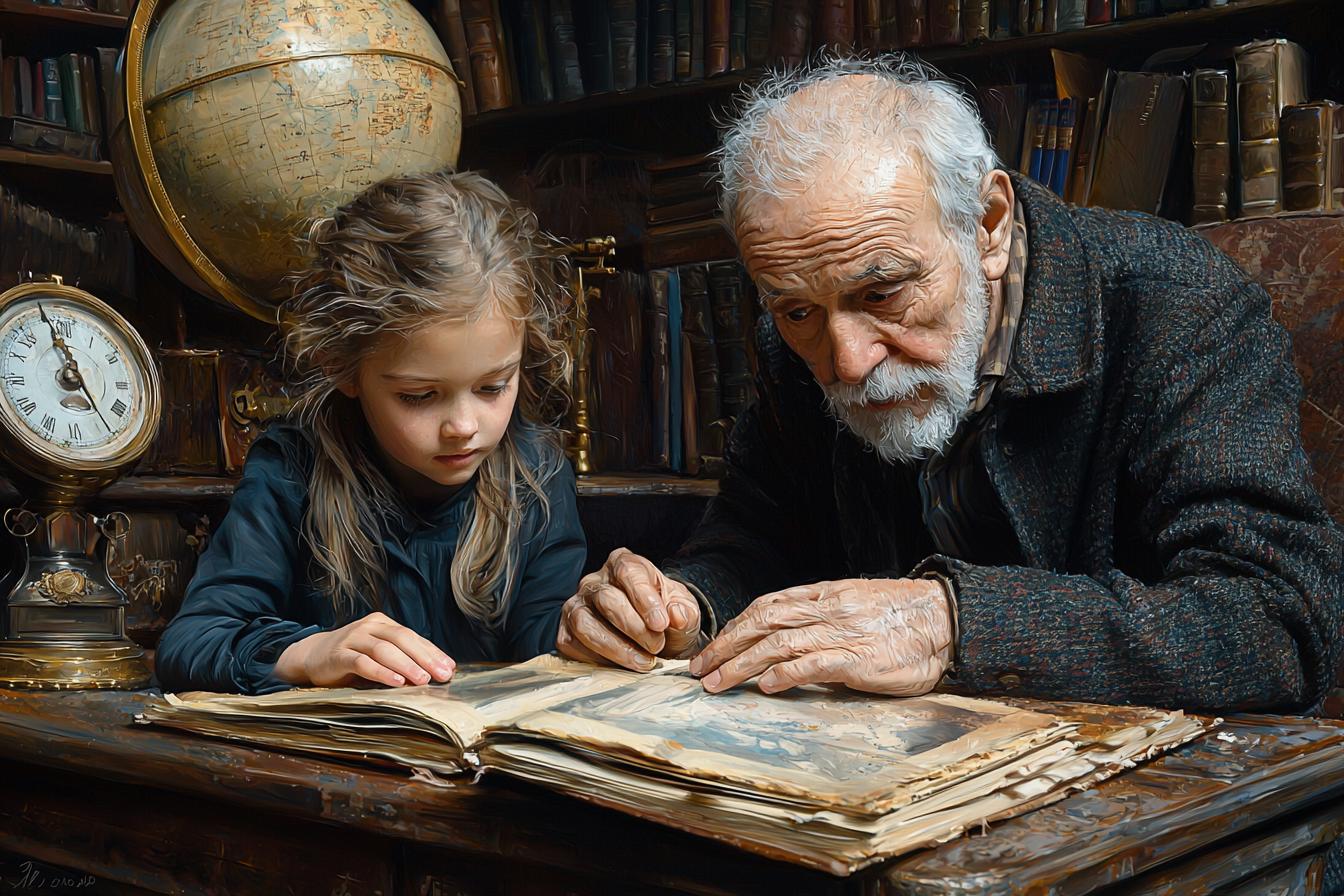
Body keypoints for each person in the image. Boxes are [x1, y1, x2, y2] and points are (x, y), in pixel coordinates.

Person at [555, 55, 1344, 716]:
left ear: (989, 225)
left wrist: (955, 624)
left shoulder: (1181, 308)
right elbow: (757, 539)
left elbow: (1278, 622)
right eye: (796, 308)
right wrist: (682, 609)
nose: (849, 360)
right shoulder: (799, 338)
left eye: (884, 291)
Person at [157, 170, 585, 695]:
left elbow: (543, 642)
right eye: (418, 396)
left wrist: (591, 627)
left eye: (494, 386)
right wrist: (308, 653)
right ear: (340, 365)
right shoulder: (293, 470)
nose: (464, 427)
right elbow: (192, 641)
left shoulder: (536, 472)